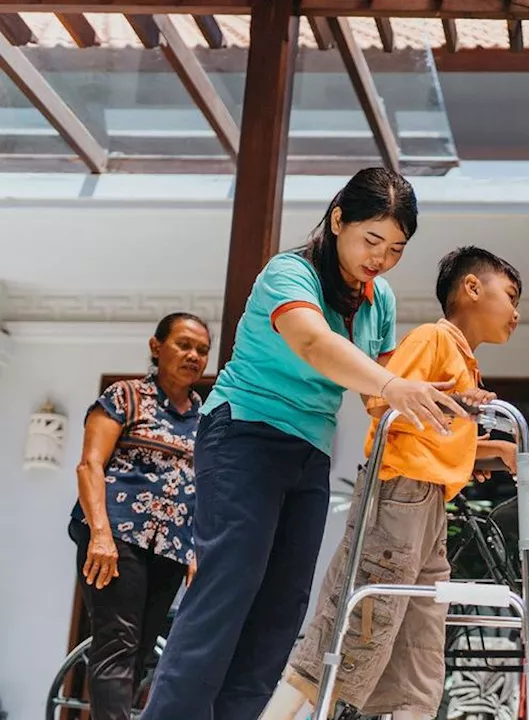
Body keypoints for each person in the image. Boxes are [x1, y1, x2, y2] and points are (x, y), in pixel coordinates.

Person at [138, 168, 469, 720]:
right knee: (228, 589)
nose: (381, 258)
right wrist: (392, 384)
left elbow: (381, 394)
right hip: (243, 435)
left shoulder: (378, 298)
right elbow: (315, 345)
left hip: (309, 452)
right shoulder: (288, 274)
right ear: (338, 219)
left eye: (395, 248)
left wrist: (463, 435)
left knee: (282, 609)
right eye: (371, 240)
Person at [259, 246, 523, 720]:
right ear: (472, 287)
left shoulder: (464, 361)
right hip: (400, 495)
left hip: (429, 504)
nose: (517, 312)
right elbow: (386, 404)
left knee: (418, 644)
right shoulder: (434, 339)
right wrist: (459, 404)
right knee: (360, 622)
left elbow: (425, 432)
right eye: (512, 295)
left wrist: (489, 451)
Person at [69, 311, 212, 720]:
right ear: (156, 347)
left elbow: (202, 487)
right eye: (183, 345)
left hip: (170, 547)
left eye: (202, 350)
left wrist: (195, 548)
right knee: (118, 641)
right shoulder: (125, 396)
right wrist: (100, 534)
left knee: (142, 652)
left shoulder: (204, 417)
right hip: (117, 537)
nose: (193, 356)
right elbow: (89, 465)